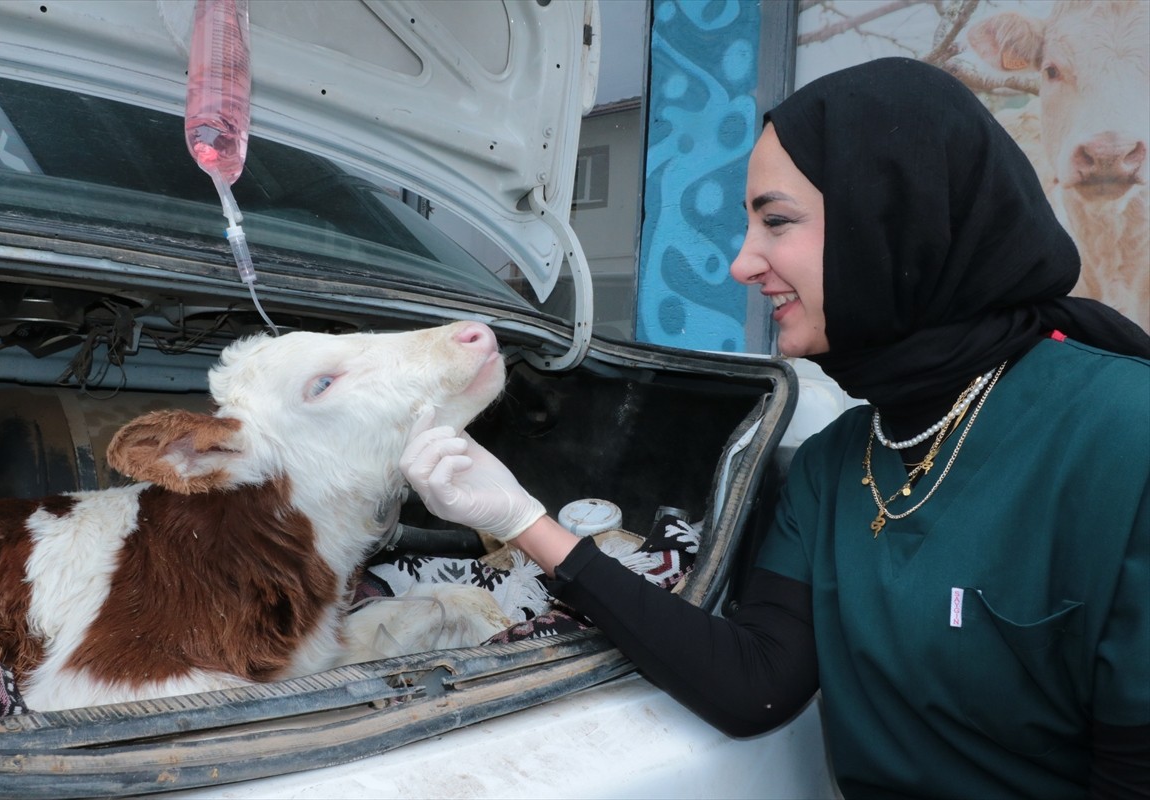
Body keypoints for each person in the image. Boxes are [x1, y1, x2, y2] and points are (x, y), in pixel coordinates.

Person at [401, 57, 1150, 799]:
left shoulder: (1122, 435)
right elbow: (754, 683)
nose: (741, 263)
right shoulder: (837, 462)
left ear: (895, 217)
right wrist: (520, 517)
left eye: (777, 221)